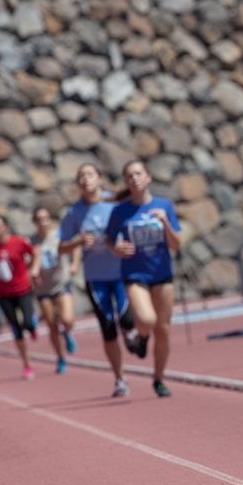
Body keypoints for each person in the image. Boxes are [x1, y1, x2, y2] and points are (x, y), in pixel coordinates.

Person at [60, 163, 142, 398]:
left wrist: (124, 244)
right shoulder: (74, 213)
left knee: (127, 319)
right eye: (81, 176)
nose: (85, 179)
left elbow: (133, 224)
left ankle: (130, 332)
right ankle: (119, 378)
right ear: (78, 184)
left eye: (90, 174)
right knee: (108, 329)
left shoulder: (114, 202)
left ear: (99, 178)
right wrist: (77, 242)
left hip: (121, 273)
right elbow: (61, 248)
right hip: (96, 278)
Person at [105, 160, 182, 398]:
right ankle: (141, 337)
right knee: (147, 319)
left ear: (148, 177)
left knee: (164, 329)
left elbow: (176, 244)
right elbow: (109, 239)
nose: (134, 179)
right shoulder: (120, 211)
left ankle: (158, 379)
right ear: (126, 182)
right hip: (134, 274)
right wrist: (117, 249)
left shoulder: (163, 205)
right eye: (129, 176)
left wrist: (165, 223)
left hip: (162, 275)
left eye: (138, 174)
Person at [0, 215, 39, 381]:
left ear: (6, 226)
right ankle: (27, 365)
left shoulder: (19, 242)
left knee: (28, 322)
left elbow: (35, 253)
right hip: (4, 295)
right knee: (16, 330)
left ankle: (32, 324)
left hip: (22, 290)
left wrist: (33, 270)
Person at [30, 206, 78, 374]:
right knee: (51, 324)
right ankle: (60, 358)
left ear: (50, 219)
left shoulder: (59, 235)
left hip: (61, 283)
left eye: (46, 218)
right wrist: (33, 272)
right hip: (43, 289)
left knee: (67, 319)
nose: (43, 222)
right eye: (39, 219)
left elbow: (75, 246)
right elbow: (28, 263)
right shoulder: (32, 241)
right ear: (35, 222)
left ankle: (68, 332)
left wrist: (74, 264)